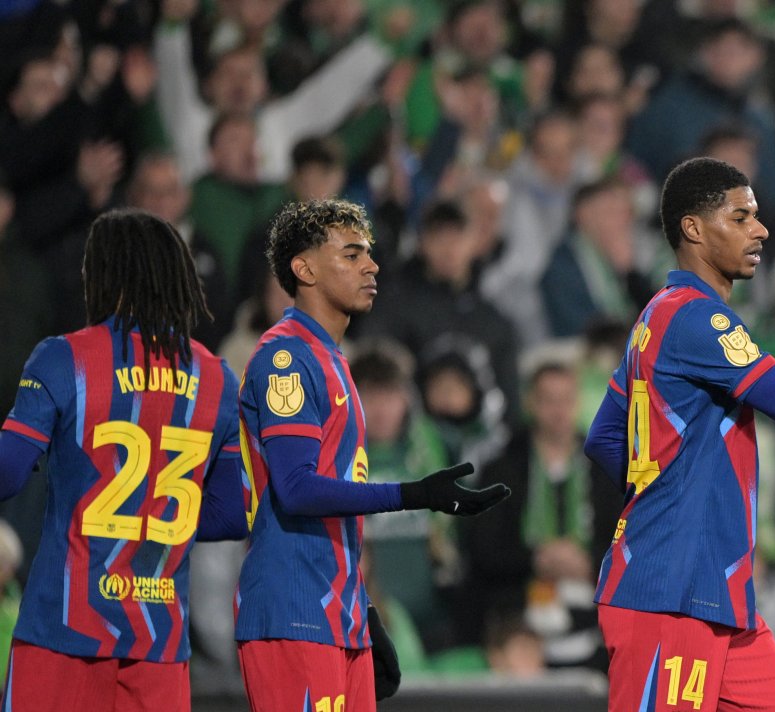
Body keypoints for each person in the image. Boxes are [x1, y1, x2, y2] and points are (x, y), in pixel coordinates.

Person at [583, 157, 775, 712]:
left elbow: (604, 437)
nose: (760, 230)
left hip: (717, 596)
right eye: (741, 217)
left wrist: (665, 498)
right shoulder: (700, 319)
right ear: (693, 228)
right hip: (669, 593)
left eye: (756, 216)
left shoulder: (657, 314)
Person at [235, 199, 511, 712]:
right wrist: (413, 494)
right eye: (352, 254)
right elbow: (296, 489)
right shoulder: (286, 358)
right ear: (305, 268)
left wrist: (359, 607)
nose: (372, 265)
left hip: (337, 610)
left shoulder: (334, 361)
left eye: (370, 254)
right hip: (294, 610)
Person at [0, 210, 248, 711]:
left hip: (63, 633)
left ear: (106, 276)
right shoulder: (218, 379)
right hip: (159, 646)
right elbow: (232, 514)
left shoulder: (63, 358)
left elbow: (6, 472)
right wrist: (152, 517)